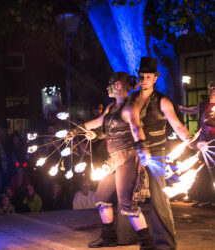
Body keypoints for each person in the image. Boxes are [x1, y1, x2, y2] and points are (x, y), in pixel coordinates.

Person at [69, 72, 155, 249]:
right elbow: (100, 123)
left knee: (126, 203)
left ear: (117, 85)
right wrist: (78, 131)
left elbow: (136, 129)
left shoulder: (129, 108)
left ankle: (148, 244)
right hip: (113, 160)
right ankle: (108, 236)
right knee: (101, 196)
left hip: (127, 158)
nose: (106, 87)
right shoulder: (111, 107)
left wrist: (143, 148)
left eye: (109, 84)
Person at [129, 57, 207, 250]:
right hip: (134, 153)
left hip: (156, 155)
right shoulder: (131, 100)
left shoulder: (162, 101)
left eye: (149, 76)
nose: (145, 79)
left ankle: (165, 245)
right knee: (127, 197)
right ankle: (135, 239)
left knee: (159, 200)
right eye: (142, 76)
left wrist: (193, 143)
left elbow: (178, 126)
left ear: (155, 78)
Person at [178, 81, 215, 206]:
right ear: (209, 89)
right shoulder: (204, 104)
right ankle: (206, 198)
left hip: (213, 143)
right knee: (203, 170)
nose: (214, 90)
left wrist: (211, 122)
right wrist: (180, 109)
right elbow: (192, 110)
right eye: (212, 88)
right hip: (203, 142)